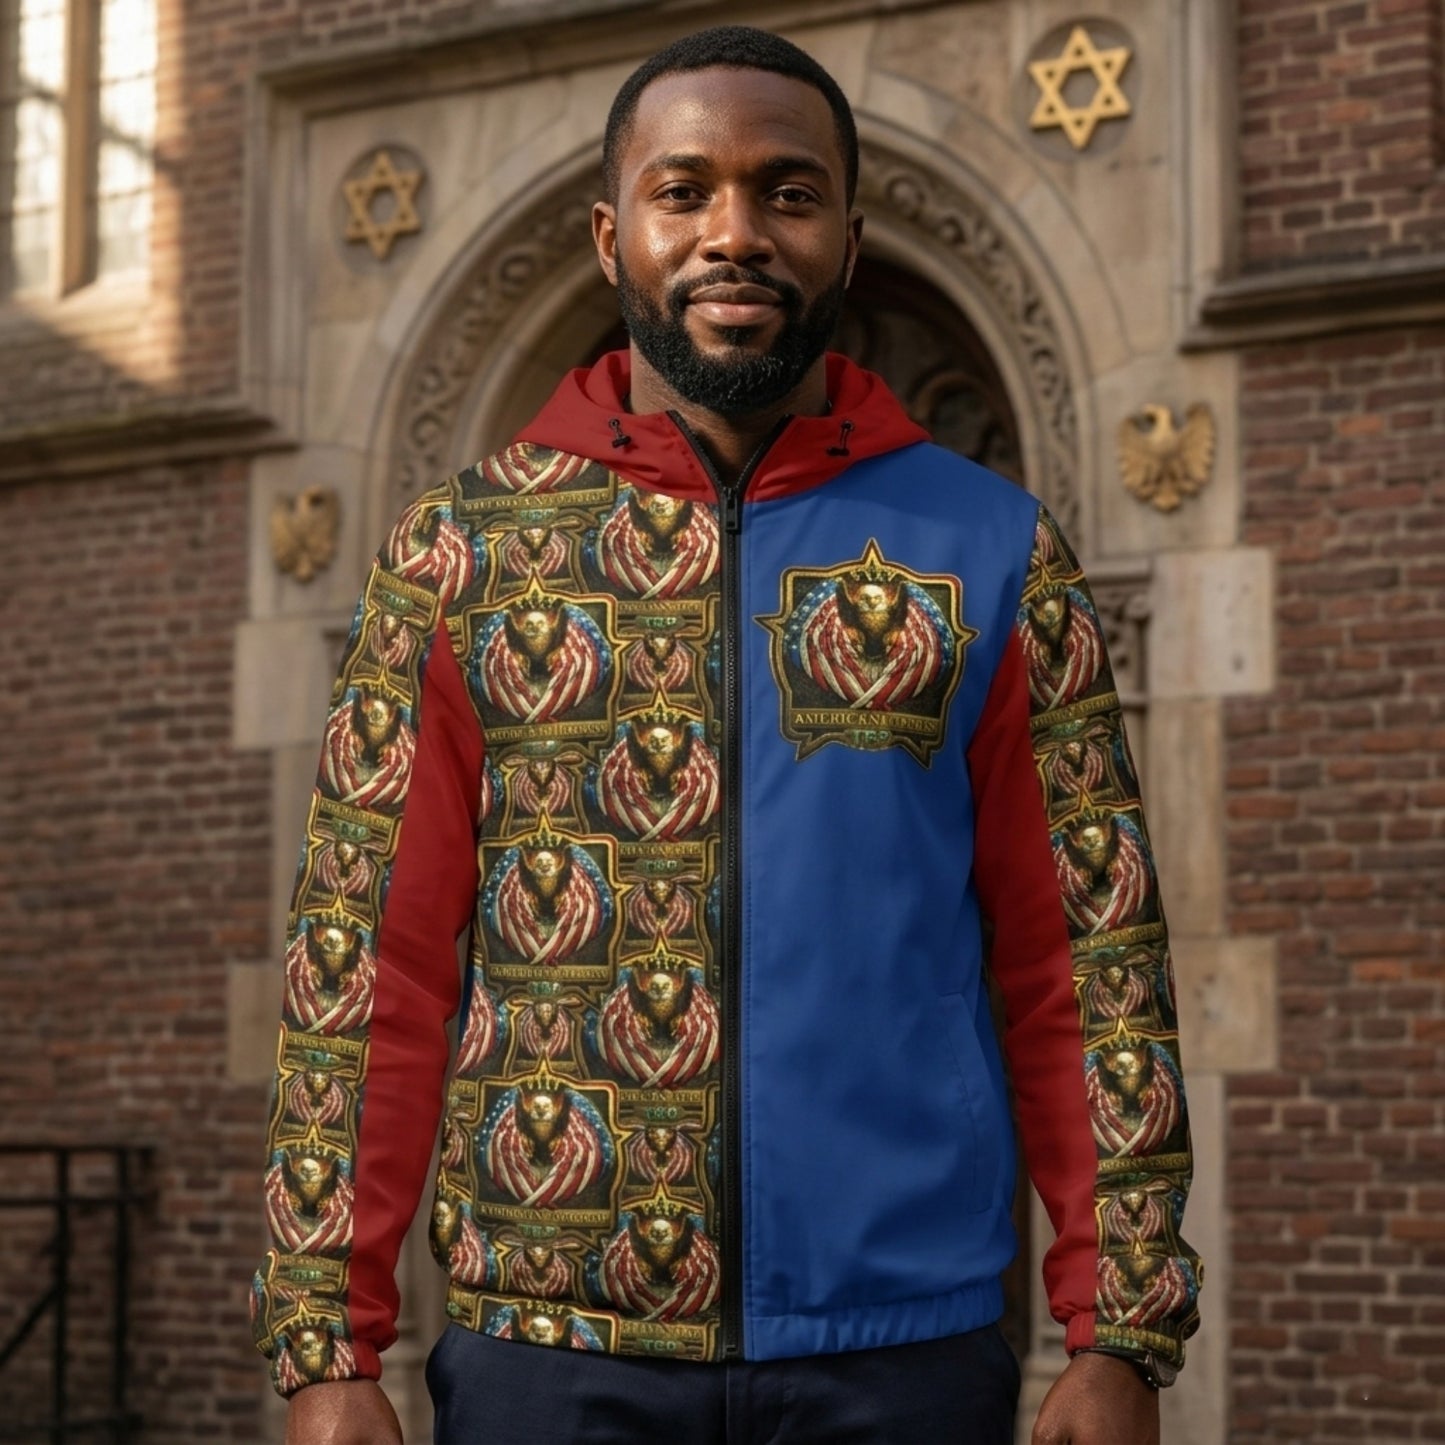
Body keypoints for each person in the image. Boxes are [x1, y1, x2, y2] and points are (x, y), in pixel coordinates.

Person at [251, 25, 1202, 1445]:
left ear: (848, 235)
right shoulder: (457, 553)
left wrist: (1117, 1326)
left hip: (901, 1351)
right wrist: (329, 1345)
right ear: (608, 233)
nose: (734, 233)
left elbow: (1084, 961)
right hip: (546, 1355)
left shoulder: (993, 549)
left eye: (788, 193)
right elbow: (365, 963)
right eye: (682, 190)